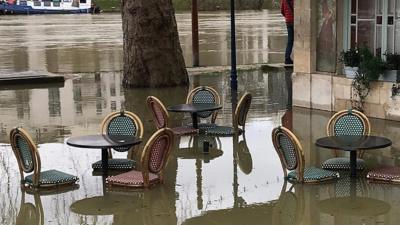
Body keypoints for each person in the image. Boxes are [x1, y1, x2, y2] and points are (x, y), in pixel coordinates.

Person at [281, 0, 294, 65]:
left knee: (290, 41)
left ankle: (287, 58)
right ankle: (289, 58)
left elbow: (282, 11)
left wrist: (287, 17)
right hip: (294, 21)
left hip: (288, 22)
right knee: (298, 40)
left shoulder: (283, 0)